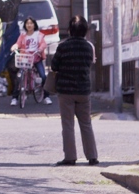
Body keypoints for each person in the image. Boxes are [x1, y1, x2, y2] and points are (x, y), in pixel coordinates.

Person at [51, 16, 99, 166]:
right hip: (83, 90)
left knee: (68, 124)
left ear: (70, 30)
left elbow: (54, 66)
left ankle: (70, 157)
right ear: (85, 31)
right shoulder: (88, 47)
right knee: (86, 124)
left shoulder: (63, 47)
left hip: (66, 91)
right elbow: (90, 63)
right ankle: (92, 156)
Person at [10, 17, 52, 106]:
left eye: (31, 23)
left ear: (34, 25)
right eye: (27, 23)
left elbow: (43, 44)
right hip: (25, 58)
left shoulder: (39, 35)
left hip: (36, 58)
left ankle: (46, 97)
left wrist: (40, 49)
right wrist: (14, 47)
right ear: (25, 25)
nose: (29, 25)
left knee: (43, 76)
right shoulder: (23, 35)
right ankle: (15, 98)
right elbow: (18, 43)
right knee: (19, 77)